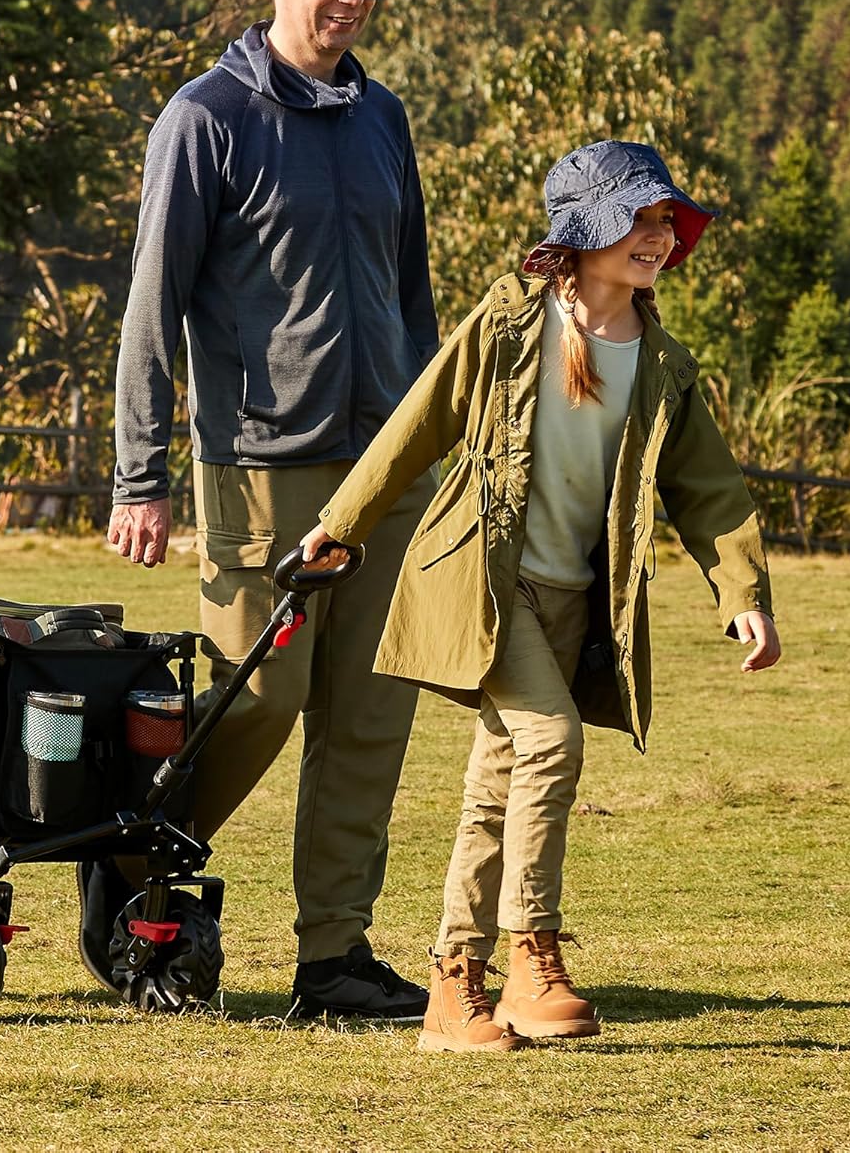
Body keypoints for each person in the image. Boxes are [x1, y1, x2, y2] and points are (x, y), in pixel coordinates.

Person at [300, 139, 782, 1052]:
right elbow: (422, 418)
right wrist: (342, 523)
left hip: (578, 603)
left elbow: (709, 489)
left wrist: (742, 592)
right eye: (639, 220)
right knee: (551, 744)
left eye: (664, 222)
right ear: (589, 230)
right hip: (488, 582)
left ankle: (455, 987)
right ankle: (533, 950)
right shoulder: (514, 320)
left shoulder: (664, 364)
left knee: (496, 783)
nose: (659, 236)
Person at [88, 0, 441, 1021]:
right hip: (256, 466)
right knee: (264, 694)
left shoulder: (385, 121)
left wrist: (439, 446)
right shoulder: (205, 119)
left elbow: (414, 302)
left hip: (384, 467)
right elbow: (153, 310)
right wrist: (140, 476)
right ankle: (136, 861)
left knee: (371, 714)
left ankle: (333, 960)